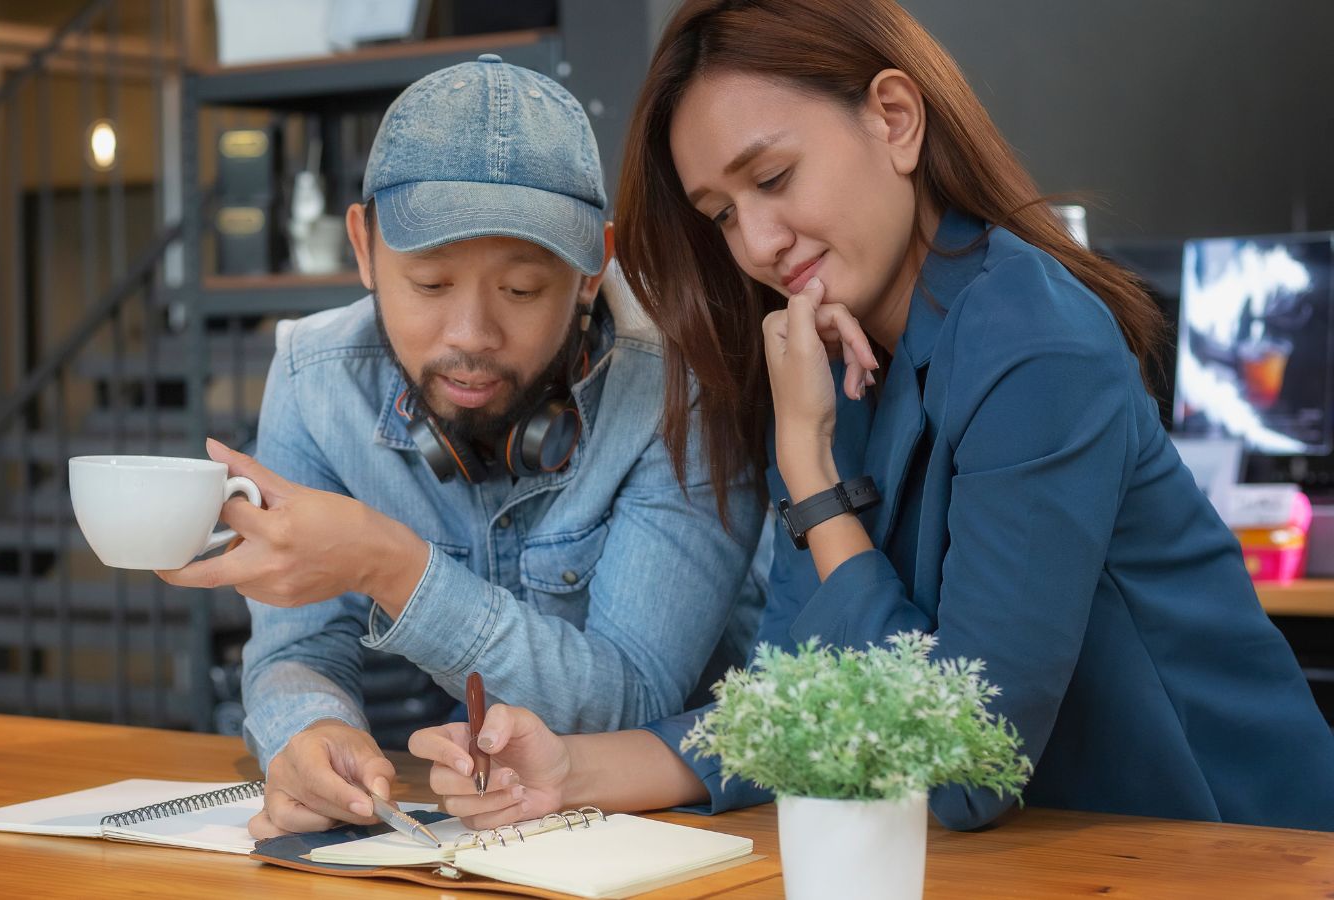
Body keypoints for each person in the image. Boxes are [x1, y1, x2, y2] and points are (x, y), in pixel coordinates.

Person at [409, 0, 1334, 832]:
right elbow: (794, 703)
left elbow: (966, 760)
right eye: (722, 213)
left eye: (772, 177)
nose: (758, 244)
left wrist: (809, 475)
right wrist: (567, 773)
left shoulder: (1034, 344)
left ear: (895, 120)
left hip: (1239, 849)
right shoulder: (828, 366)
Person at [159, 54, 763, 839]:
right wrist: (309, 729)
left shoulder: (682, 387)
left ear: (591, 272)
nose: (471, 336)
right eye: (432, 285)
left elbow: (635, 698)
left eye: (521, 290)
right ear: (363, 247)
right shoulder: (314, 379)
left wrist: (392, 566)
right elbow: (298, 644)